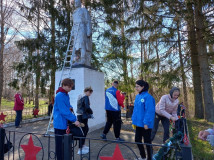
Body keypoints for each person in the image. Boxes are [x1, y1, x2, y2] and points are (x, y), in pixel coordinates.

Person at [53, 78, 80, 160]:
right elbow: (63, 111)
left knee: (65, 145)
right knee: (60, 146)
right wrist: (74, 119)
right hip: (60, 124)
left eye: (71, 87)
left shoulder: (65, 94)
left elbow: (67, 106)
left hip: (64, 123)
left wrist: (70, 107)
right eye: (69, 87)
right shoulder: (60, 95)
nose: (70, 89)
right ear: (64, 85)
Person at [132, 80, 155, 160]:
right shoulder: (138, 96)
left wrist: (146, 123)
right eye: (136, 86)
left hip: (145, 125)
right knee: (137, 140)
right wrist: (133, 121)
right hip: (138, 123)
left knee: (147, 142)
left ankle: (149, 158)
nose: (136, 88)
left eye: (137, 86)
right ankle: (143, 157)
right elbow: (136, 110)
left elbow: (149, 111)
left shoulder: (148, 97)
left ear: (143, 87)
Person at [71, 0, 92, 66]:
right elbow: (73, 23)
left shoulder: (84, 10)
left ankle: (83, 59)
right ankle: (76, 60)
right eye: (75, 3)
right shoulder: (74, 13)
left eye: (77, 2)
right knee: (75, 46)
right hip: (75, 29)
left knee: (82, 44)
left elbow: (88, 21)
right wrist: (72, 31)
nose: (76, 4)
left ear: (80, 3)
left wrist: (89, 30)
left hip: (82, 28)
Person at [76, 87, 94, 154]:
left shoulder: (80, 95)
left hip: (80, 115)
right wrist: (91, 112)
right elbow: (87, 107)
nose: (90, 94)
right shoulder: (85, 96)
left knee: (84, 130)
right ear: (87, 91)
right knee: (84, 131)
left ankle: (82, 145)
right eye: (90, 92)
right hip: (83, 116)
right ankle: (80, 149)